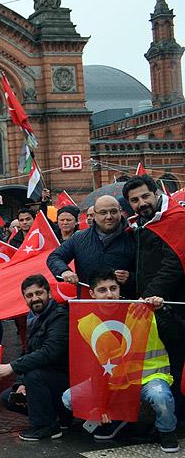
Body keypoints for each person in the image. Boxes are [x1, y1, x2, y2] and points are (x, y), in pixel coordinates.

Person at [60, 269, 178, 452]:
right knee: (69, 398)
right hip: (112, 383)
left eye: (113, 288)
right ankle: (117, 418)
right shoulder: (86, 323)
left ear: (119, 288)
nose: (109, 294)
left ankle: (166, 431)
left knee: (161, 397)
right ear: (92, 294)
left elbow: (176, 335)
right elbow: (92, 367)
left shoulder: (140, 310)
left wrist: (162, 310)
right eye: (102, 290)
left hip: (148, 378)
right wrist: (100, 404)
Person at [124, 174, 185, 414]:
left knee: (176, 361)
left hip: (173, 306)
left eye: (145, 196)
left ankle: (177, 416)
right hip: (151, 306)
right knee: (160, 362)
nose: (141, 203)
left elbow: (173, 265)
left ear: (156, 193)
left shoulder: (176, 219)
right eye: (135, 200)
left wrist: (147, 297)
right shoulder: (140, 224)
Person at [0, 274, 69, 441]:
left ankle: (46, 427)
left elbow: (50, 352)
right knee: (8, 397)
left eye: (39, 293)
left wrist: (12, 367)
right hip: (45, 379)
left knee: (33, 376)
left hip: (65, 379)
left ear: (49, 293)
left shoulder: (60, 316)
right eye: (29, 295)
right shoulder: (33, 318)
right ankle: (59, 415)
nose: (35, 298)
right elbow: (29, 352)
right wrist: (20, 383)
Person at [46, 195, 135, 296]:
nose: (109, 217)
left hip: (124, 302)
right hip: (88, 301)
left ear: (120, 212)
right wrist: (64, 271)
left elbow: (147, 273)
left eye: (113, 211)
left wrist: (130, 278)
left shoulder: (134, 237)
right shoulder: (79, 238)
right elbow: (54, 257)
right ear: (95, 215)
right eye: (103, 212)